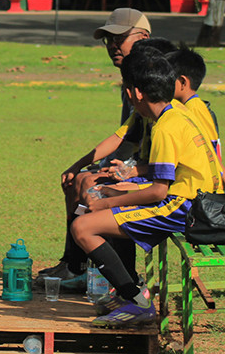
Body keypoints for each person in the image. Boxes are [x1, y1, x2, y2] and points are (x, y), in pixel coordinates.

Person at [71, 48, 220, 327]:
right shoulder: (174, 114)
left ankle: (138, 302)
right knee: (107, 202)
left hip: (188, 208)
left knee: (83, 227)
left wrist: (107, 202)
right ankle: (129, 294)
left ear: (135, 94)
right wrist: (120, 190)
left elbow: (159, 192)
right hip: (196, 201)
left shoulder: (165, 126)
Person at [38, 15, 155, 289]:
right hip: (136, 166)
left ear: (143, 38)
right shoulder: (131, 80)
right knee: (77, 180)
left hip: (154, 174)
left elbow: (140, 143)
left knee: (94, 187)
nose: (113, 45)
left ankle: (121, 277)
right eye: (109, 40)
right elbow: (124, 134)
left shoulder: (153, 82)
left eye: (120, 38)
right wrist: (80, 164)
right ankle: (76, 265)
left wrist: (119, 169)